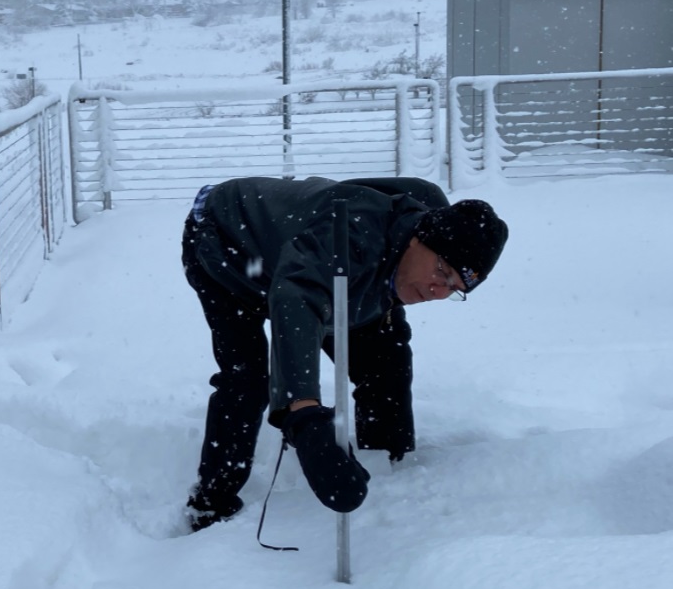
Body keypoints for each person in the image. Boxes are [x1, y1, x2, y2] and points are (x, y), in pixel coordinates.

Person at [181, 176, 508, 531]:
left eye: (454, 288)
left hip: (326, 269)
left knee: (386, 359)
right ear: (417, 237)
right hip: (228, 244)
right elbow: (299, 298)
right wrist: (304, 417)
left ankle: (384, 468)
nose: (437, 291)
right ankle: (211, 507)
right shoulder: (349, 233)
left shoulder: (418, 242)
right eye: (442, 272)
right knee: (248, 379)